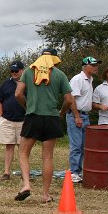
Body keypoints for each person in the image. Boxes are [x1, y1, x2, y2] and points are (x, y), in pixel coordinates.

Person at [14, 47, 73, 203]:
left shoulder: (28, 72)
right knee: (47, 157)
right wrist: (61, 113)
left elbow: (18, 94)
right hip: (52, 117)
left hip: (33, 116)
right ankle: (46, 195)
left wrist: (27, 106)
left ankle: (26, 185)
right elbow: (69, 100)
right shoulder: (60, 74)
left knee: (23, 152)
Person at [67, 56, 101, 183]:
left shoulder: (89, 80)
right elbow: (71, 99)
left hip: (85, 115)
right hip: (76, 115)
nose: (96, 67)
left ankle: (79, 171)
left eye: (96, 65)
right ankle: (74, 172)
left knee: (83, 145)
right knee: (76, 145)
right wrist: (76, 116)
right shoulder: (78, 79)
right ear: (85, 67)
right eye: (93, 65)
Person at [0, 60, 26, 180]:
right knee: (9, 146)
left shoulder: (28, 84)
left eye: (16, 71)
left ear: (22, 70)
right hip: (7, 120)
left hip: (24, 120)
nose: (14, 72)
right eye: (12, 71)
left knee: (23, 148)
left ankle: (24, 173)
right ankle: (6, 173)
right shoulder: (5, 84)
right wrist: (1, 117)